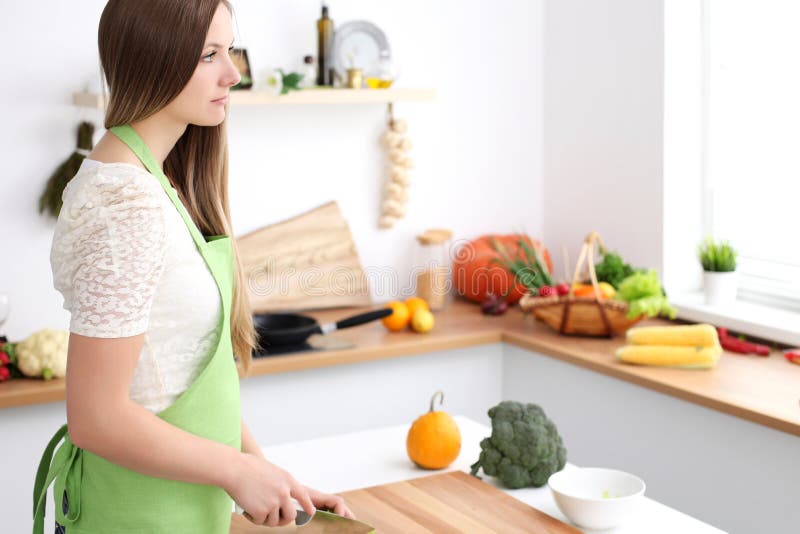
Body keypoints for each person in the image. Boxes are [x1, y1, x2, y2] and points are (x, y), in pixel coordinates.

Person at [33, 1, 354, 532]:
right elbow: (96, 417)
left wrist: (261, 472)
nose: (233, 74)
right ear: (154, 59)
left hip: (185, 512)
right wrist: (233, 470)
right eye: (210, 56)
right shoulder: (123, 203)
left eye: (229, 51)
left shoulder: (160, 183)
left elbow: (181, 379)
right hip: (136, 516)